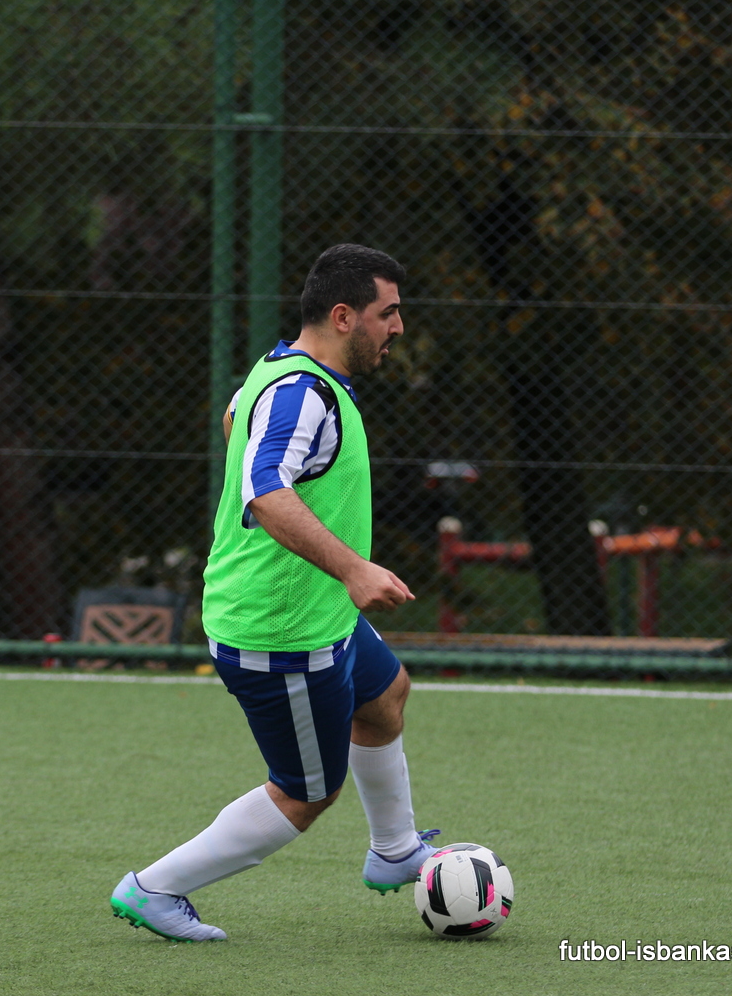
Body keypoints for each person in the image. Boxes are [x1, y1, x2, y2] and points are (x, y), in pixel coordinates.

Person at [110, 244, 440, 941]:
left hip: (319, 613)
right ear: (344, 316)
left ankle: (395, 851)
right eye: (388, 313)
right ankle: (154, 889)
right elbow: (264, 491)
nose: (398, 326)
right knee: (306, 791)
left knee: (385, 696)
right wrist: (353, 569)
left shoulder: (281, 370)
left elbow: (237, 422)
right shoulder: (302, 394)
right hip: (281, 633)